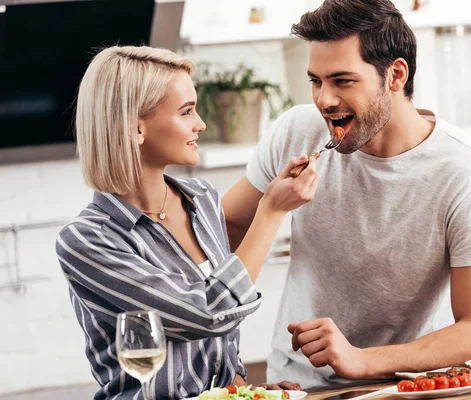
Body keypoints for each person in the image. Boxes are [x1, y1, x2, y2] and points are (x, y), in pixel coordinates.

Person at [222, 0, 471, 389]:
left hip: (409, 387)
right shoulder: (297, 132)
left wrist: (361, 361)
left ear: (394, 75)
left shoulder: (464, 173)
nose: (324, 100)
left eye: (342, 81)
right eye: (316, 81)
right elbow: (222, 228)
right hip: (296, 389)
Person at [55, 46, 316, 399]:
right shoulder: (86, 242)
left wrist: (245, 391)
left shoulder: (201, 199)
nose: (201, 124)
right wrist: (270, 212)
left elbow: (219, 344)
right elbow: (206, 313)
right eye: (186, 111)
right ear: (135, 128)